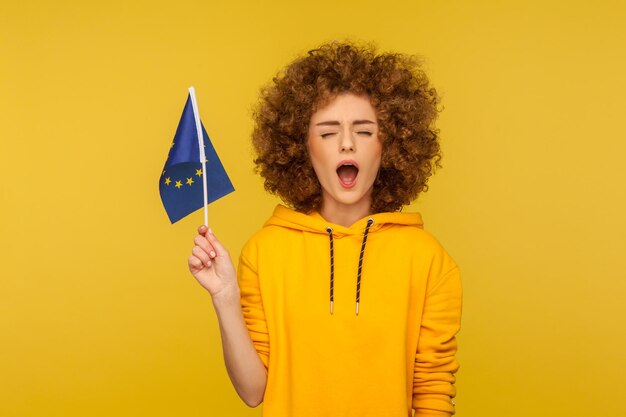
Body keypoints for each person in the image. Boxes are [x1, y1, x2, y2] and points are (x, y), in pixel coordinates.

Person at [188, 41, 462, 417]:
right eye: (328, 132)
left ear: (391, 145)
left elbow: (432, 393)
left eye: (365, 131)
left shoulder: (429, 258)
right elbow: (253, 391)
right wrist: (224, 296)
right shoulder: (265, 251)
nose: (347, 144)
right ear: (302, 146)